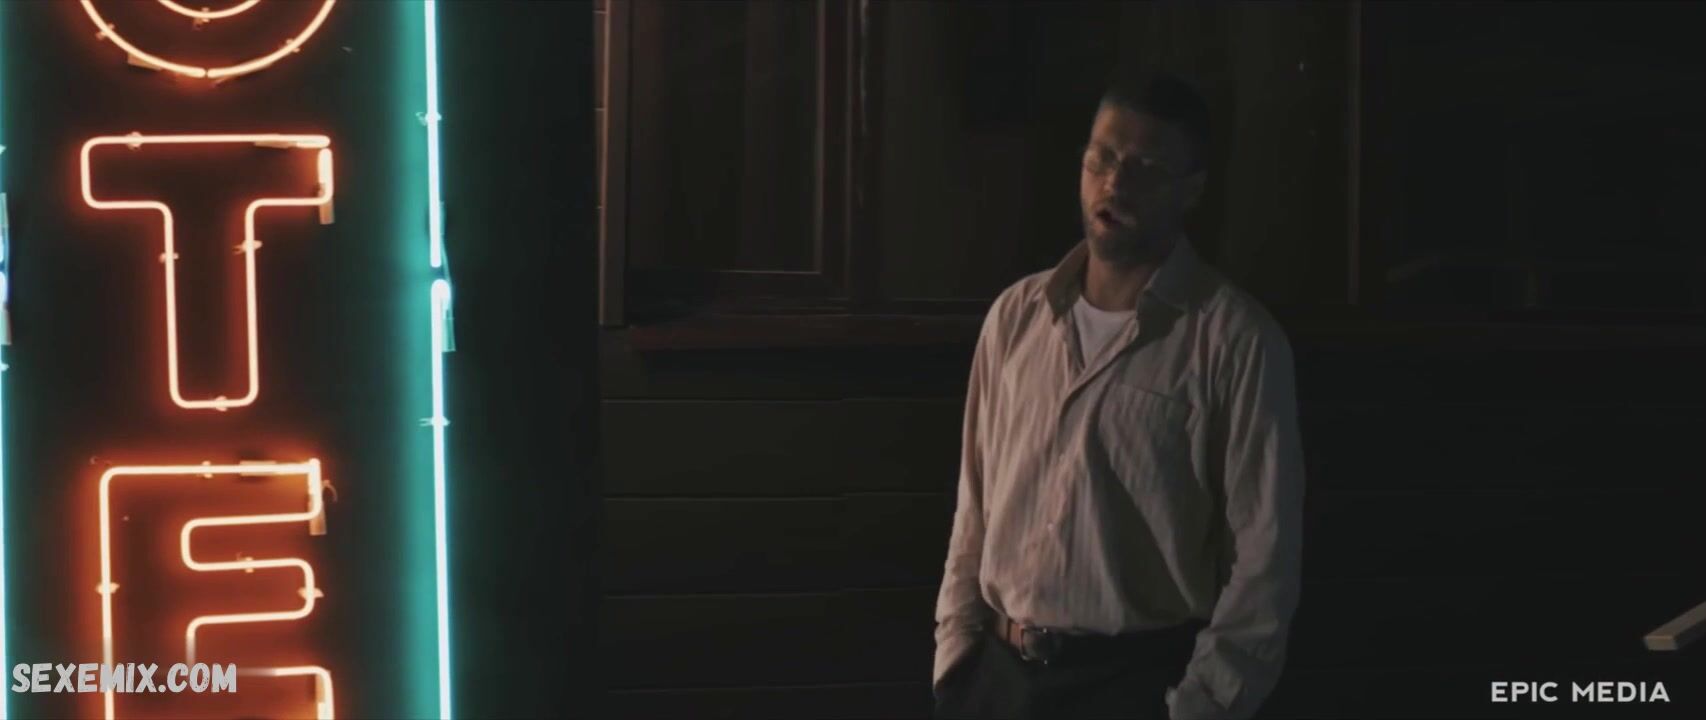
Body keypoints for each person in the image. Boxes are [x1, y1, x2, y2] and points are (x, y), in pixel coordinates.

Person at [931, 70, 1305, 720]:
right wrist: (956, 662)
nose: (1114, 184)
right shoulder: (1016, 318)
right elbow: (975, 507)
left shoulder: (1235, 341)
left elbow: (1264, 557)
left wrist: (1200, 705)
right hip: (996, 679)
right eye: (1102, 159)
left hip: (1133, 684)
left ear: (1192, 189)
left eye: (1145, 168)